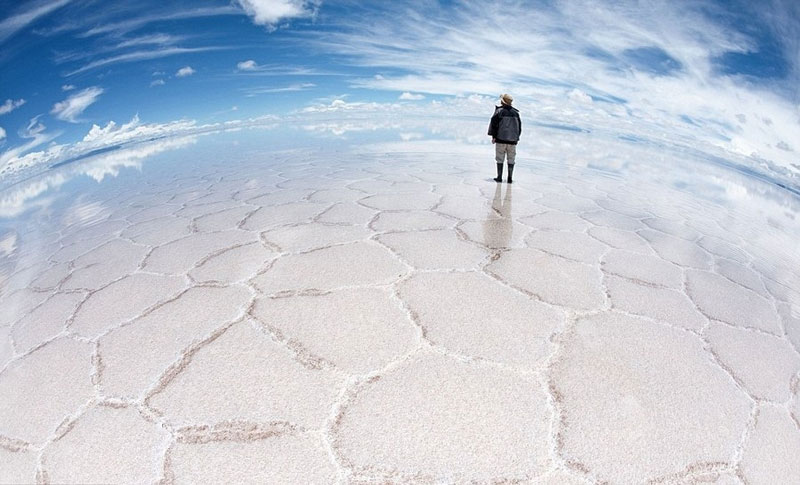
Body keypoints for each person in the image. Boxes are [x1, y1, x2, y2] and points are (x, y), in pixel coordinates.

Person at [487, 93, 522, 183]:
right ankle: (510, 178)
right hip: (512, 141)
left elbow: (493, 125)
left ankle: (499, 177)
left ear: (502, 102)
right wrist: (517, 138)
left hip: (500, 139)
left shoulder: (499, 111)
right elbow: (519, 127)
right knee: (511, 159)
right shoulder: (516, 113)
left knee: (500, 158)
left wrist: (493, 136)